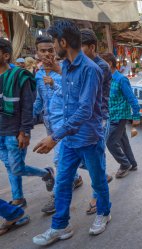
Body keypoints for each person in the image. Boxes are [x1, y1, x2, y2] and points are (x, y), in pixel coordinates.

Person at [32, 20, 111, 246]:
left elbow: (85, 109)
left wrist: (55, 136)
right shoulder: (65, 66)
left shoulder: (91, 69)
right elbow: (68, 100)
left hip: (88, 137)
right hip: (69, 138)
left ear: (63, 42)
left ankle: (104, 212)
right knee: (63, 183)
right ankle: (60, 226)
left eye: (55, 42)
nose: (53, 47)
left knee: (97, 182)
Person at [0, 38, 55, 208]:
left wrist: (25, 130)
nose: (46, 54)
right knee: (10, 166)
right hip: (1, 131)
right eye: (42, 51)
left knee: (16, 167)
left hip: (15, 130)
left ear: (6, 55)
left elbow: (28, 105)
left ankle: (45, 173)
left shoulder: (20, 76)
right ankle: (18, 198)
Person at [33, 35, 83, 214]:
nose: (47, 54)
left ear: (55, 51)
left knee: (58, 159)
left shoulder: (64, 70)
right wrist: (28, 120)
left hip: (64, 123)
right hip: (49, 123)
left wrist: (54, 83)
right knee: (70, 158)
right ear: (37, 53)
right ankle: (76, 178)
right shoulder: (38, 75)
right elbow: (39, 100)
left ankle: (57, 197)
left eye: (50, 50)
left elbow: (73, 94)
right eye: (42, 51)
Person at [80, 28, 113, 215]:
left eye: (80, 47)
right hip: (83, 120)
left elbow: (86, 94)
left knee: (96, 158)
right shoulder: (80, 63)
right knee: (81, 159)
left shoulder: (100, 67)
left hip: (98, 118)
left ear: (92, 47)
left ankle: (97, 197)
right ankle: (101, 177)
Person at [101, 53, 140, 178]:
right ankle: (132, 163)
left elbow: (132, 99)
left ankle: (124, 164)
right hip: (110, 116)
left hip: (120, 116)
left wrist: (136, 116)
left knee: (110, 141)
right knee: (122, 140)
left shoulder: (121, 79)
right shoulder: (105, 79)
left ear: (109, 64)